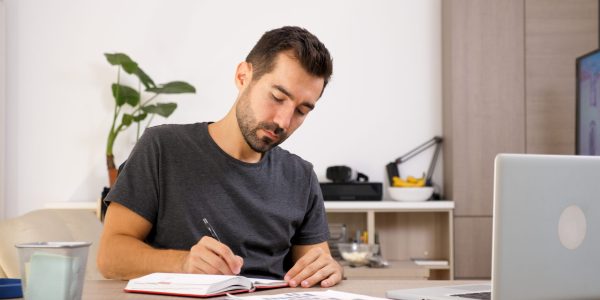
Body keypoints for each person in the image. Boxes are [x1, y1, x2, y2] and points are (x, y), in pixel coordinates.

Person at [97, 26, 343, 288]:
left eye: (302, 111)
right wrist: (183, 264)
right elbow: (110, 257)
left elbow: (315, 268)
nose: (283, 121)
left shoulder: (300, 176)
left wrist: (328, 268)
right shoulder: (162, 148)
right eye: (277, 97)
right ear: (243, 76)